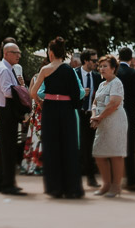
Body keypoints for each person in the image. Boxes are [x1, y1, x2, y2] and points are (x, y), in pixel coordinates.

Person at [28, 37, 83, 199]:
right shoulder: (69, 70)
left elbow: (33, 92)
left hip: (50, 109)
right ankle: (72, 188)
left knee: (52, 147)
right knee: (69, 147)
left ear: (50, 52)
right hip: (66, 110)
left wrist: (40, 102)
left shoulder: (45, 69)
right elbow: (77, 94)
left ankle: (55, 188)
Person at [89, 54, 127, 198]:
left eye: (105, 66)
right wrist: (94, 115)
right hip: (102, 121)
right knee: (99, 153)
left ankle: (116, 186)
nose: (102, 69)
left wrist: (99, 117)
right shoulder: (101, 84)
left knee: (115, 154)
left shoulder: (116, 83)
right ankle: (105, 184)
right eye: (100, 66)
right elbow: (95, 102)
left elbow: (114, 103)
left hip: (115, 121)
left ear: (113, 68)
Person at [0, 41, 26, 196]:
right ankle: (7, 184)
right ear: (6, 53)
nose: (18, 55)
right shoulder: (4, 69)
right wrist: (22, 91)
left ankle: (2, 182)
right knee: (8, 149)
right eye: (15, 52)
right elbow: (7, 91)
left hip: (5, 111)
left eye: (19, 52)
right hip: (6, 111)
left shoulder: (6, 68)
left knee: (5, 148)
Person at [115, 47, 135, 190]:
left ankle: (116, 178)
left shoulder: (115, 72)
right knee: (130, 148)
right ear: (131, 58)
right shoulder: (133, 73)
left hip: (115, 113)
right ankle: (131, 180)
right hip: (129, 114)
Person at [76, 50, 99, 188]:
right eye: (94, 60)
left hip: (91, 114)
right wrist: (80, 93)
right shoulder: (75, 73)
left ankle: (91, 177)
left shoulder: (97, 77)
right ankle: (76, 176)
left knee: (90, 147)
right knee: (77, 146)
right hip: (77, 113)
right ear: (85, 61)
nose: (96, 63)